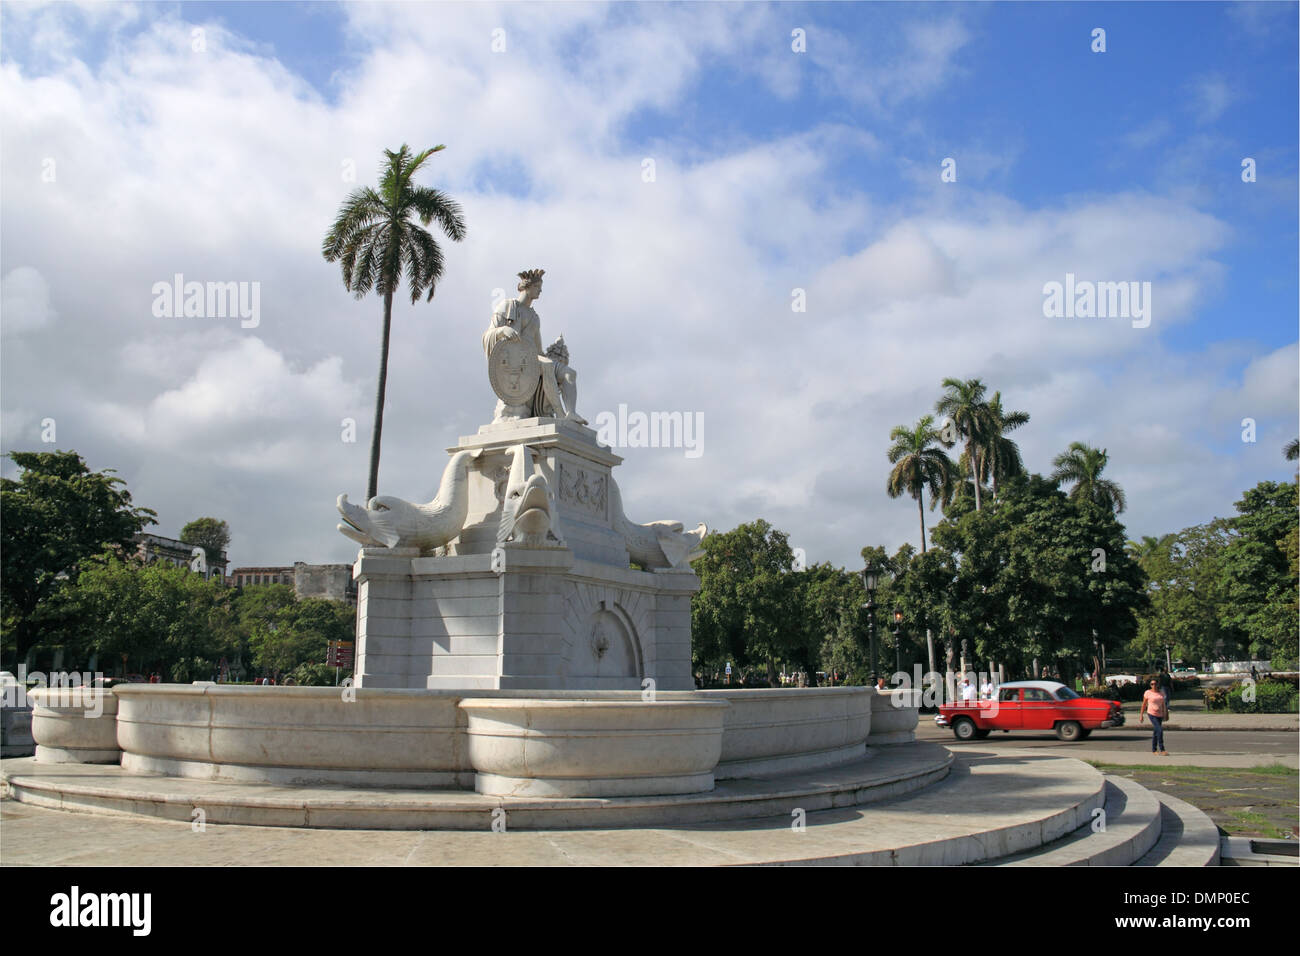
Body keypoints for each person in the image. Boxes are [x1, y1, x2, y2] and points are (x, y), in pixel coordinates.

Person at [482, 269, 585, 423]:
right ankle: (560, 413)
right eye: (538, 287)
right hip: (515, 358)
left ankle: (571, 413)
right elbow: (487, 335)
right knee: (548, 365)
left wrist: (555, 357)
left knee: (569, 373)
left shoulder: (534, 317)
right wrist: (502, 330)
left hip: (533, 357)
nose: (540, 290)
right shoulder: (507, 306)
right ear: (527, 287)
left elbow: (538, 349)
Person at [1139, 678, 1169, 755]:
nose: (1154, 685)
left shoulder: (1161, 693)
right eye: (1152, 684)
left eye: (1155, 684)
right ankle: (1162, 749)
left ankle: (1154, 749)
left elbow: (1164, 704)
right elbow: (1144, 704)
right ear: (1150, 685)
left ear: (1157, 684)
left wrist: (1166, 714)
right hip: (1151, 713)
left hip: (1160, 714)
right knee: (1160, 730)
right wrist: (1141, 715)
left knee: (1156, 732)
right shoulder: (1147, 693)